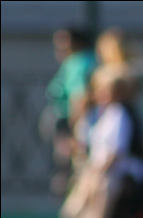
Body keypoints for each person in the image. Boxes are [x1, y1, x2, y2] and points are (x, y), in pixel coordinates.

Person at [59, 66, 143, 218]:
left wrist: (95, 172)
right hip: (99, 172)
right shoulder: (102, 114)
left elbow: (115, 152)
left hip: (113, 176)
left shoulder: (119, 113)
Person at [44, 27, 98, 197]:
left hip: (70, 126)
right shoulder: (87, 60)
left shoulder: (78, 63)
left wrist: (75, 131)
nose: (59, 49)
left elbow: (79, 98)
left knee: (69, 174)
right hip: (74, 125)